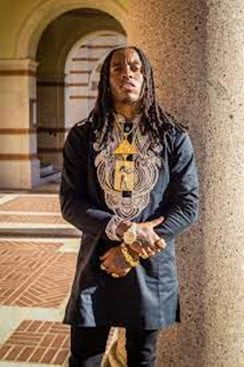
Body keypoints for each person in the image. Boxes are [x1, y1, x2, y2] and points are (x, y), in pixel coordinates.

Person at [60, 46, 199, 367]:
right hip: (97, 259)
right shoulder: (83, 136)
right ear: (106, 81)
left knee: (142, 358)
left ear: (146, 78)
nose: (128, 73)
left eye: (136, 67)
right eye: (118, 68)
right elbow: (70, 203)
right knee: (84, 358)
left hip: (150, 266)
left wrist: (131, 250)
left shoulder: (173, 137)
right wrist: (124, 229)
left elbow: (187, 205)